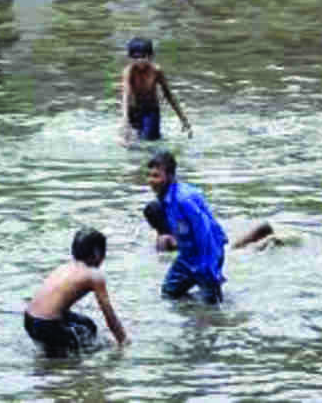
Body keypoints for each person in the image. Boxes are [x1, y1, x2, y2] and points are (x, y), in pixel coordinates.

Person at [23, 228, 128, 357]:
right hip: (47, 325)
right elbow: (109, 315)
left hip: (29, 320)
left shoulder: (65, 267)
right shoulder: (94, 275)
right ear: (97, 252)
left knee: (87, 326)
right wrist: (123, 341)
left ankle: (51, 358)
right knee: (87, 351)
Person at [146, 150, 228, 304]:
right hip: (188, 254)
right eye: (149, 175)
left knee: (212, 306)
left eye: (156, 176)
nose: (151, 181)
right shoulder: (165, 198)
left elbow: (204, 233)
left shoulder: (184, 199)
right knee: (169, 293)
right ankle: (192, 309)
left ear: (170, 176)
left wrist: (207, 267)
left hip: (208, 252)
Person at [118, 37, 192, 142]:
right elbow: (125, 95)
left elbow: (168, 95)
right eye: (135, 57)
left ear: (150, 56)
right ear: (130, 57)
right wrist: (124, 119)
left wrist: (183, 119)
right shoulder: (129, 71)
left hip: (151, 110)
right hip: (133, 110)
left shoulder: (156, 70)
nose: (139, 60)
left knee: (149, 140)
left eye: (143, 56)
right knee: (131, 142)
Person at [144, 199, 277, 253]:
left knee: (263, 232)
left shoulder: (162, 237)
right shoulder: (165, 239)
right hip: (220, 253)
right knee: (263, 230)